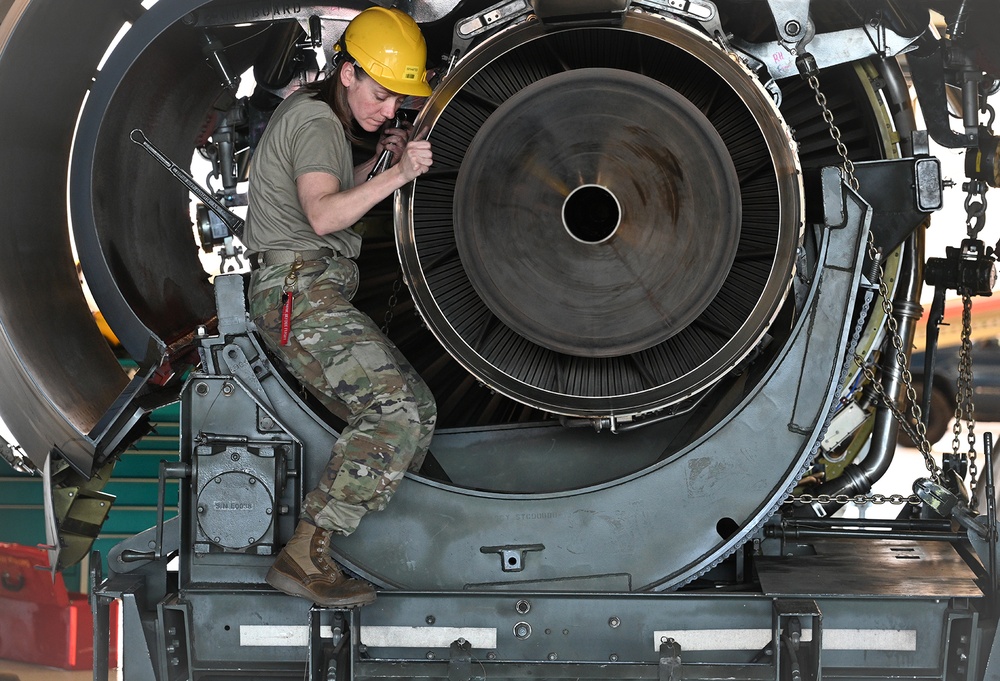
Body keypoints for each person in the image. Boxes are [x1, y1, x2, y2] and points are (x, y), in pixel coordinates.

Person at [242, 6, 437, 607]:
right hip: (297, 293)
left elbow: (326, 190)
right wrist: (400, 171)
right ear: (347, 72)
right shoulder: (315, 120)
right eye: (380, 95)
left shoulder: (320, 122)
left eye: (398, 102)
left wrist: (380, 161)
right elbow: (325, 215)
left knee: (418, 407)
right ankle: (307, 552)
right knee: (397, 410)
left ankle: (322, 543)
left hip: (307, 289)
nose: (387, 111)